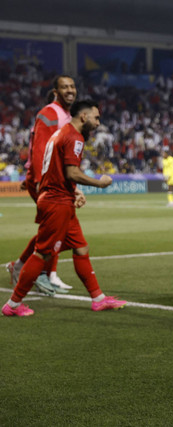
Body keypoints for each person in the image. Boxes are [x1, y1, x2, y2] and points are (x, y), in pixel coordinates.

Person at [2, 100, 127, 317]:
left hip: (60, 198)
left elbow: (58, 170)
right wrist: (100, 183)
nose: (98, 123)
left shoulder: (61, 133)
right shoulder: (74, 137)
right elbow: (71, 172)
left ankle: (98, 299)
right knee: (42, 254)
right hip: (56, 202)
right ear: (83, 117)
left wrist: (74, 191)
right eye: (96, 118)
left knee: (81, 248)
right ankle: (13, 305)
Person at [6, 75, 78, 294]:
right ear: (55, 91)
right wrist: (39, 180)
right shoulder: (50, 113)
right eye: (64, 87)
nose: (70, 90)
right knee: (56, 227)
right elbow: (40, 148)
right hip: (46, 180)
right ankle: (39, 273)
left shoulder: (65, 115)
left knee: (57, 227)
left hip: (56, 179)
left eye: (72, 86)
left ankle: (37, 271)